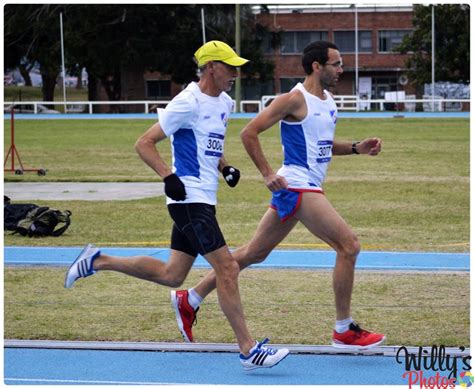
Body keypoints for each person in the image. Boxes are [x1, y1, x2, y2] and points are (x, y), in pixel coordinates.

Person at [64, 40, 289, 370]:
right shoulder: (187, 102)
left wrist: (224, 166)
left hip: (204, 199)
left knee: (172, 275)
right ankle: (248, 350)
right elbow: (144, 143)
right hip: (187, 199)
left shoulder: (224, 102)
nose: (235, 75)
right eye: (229, 68)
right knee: (226, 268)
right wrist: (167, 175)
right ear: (211, 67)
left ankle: (97, 260)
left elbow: (209, 143)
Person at [171, 40, 386, 350]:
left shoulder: (327, 101)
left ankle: (190, 298)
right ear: (316, 66)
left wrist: (355, 148)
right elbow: (249, 132)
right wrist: (268, 174)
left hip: (301, 187)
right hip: (297, 185)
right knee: (349, 245)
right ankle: (344, 330)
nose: (342, 69)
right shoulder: (293, 100)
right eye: (336, 64)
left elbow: (321, 146)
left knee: (253, 254)